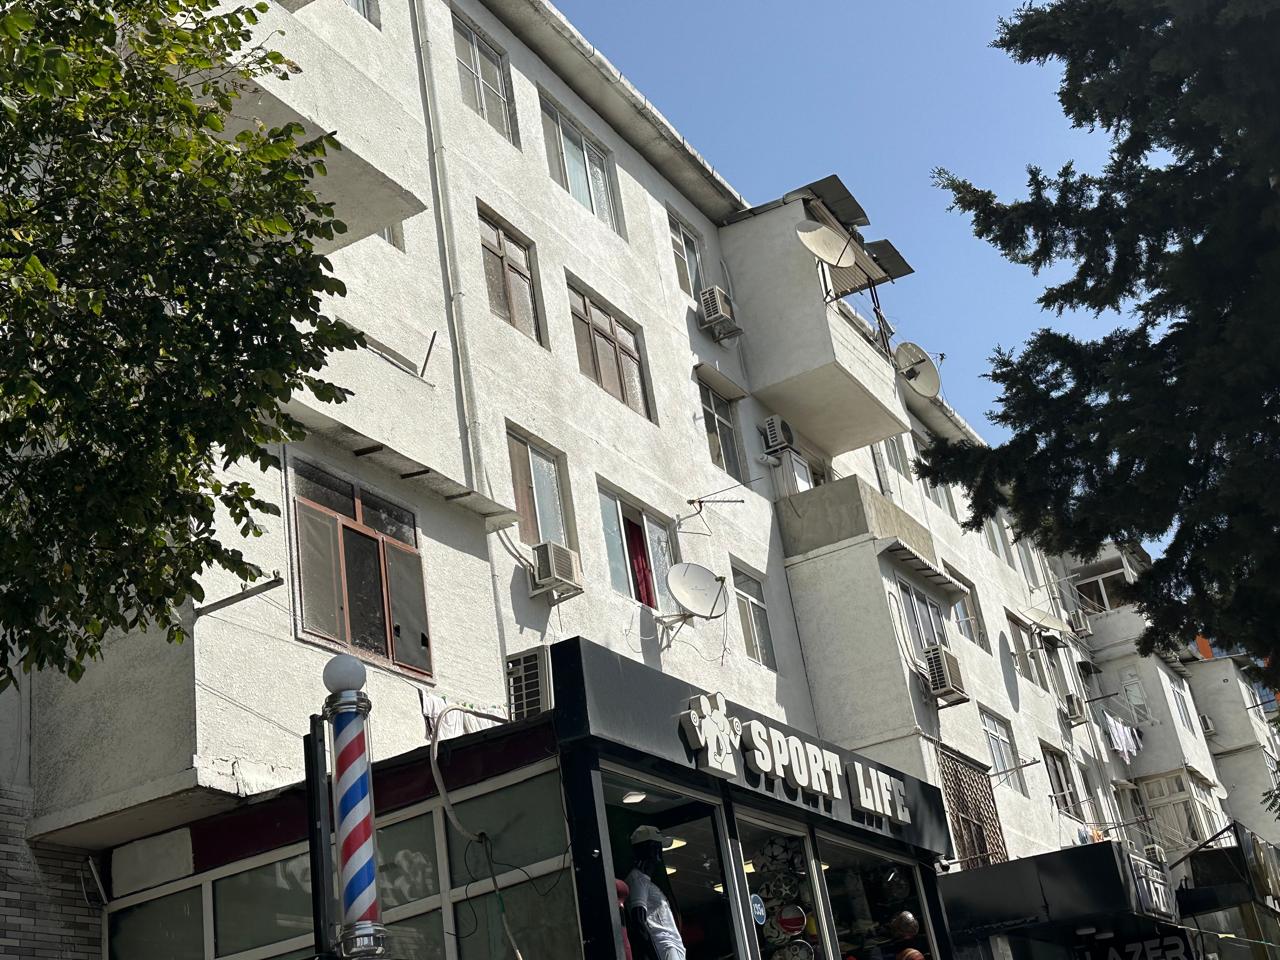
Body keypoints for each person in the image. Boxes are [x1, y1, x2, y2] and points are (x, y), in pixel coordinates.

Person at [625, 825, 686, 960]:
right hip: (664, 946)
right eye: (657, 846)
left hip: (671, 947)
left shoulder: (645, 881)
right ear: (648, 848)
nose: (660, 851)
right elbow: (638, 921)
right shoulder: (637, 880)